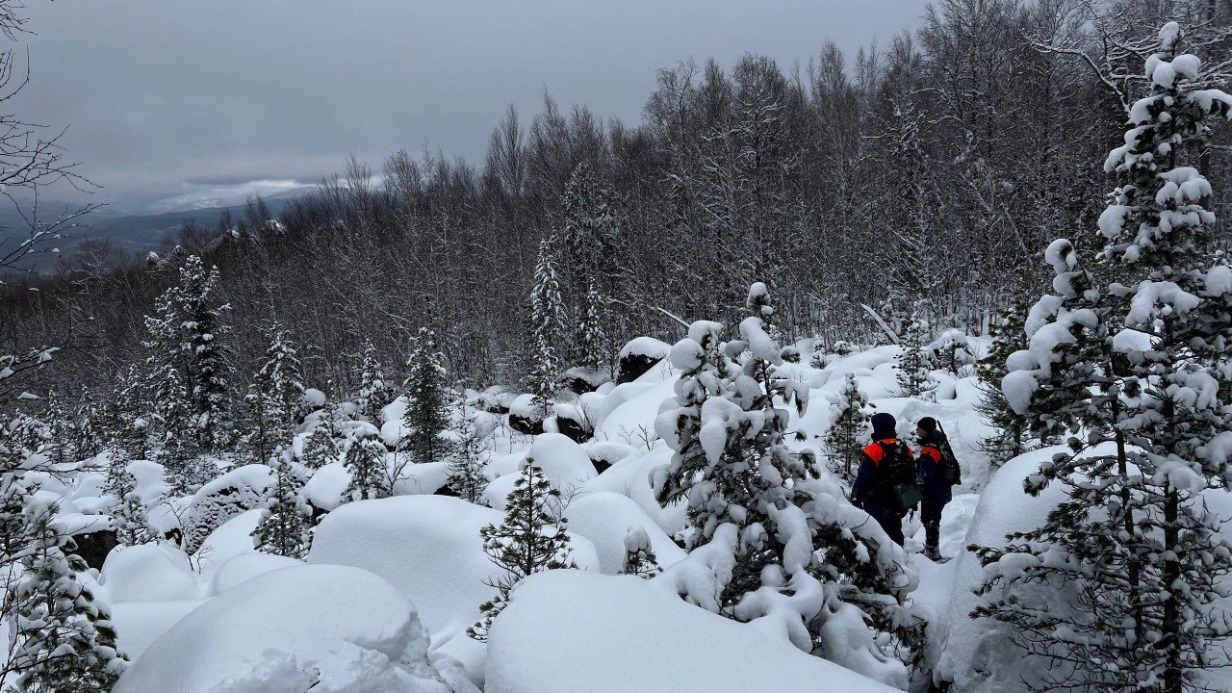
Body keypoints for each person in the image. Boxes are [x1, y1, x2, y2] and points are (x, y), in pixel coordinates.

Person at [852, 412, 912, 546]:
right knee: (895, 530)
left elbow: (864, 477)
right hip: (900, 498)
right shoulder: (904, 447)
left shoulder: (875, 449)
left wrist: (857, 497)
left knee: (877, 535)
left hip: (878, 501)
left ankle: (882, 563)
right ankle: (899, 560)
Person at [915, 417, 952, 561]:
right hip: (941, 488)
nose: (916, 431)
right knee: (932, 520)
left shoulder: (931, 448)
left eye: (919, 428)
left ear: (925, 430)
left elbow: (926, 475)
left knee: (930, 520)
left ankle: (932, 552)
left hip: (934, 491)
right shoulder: (940, 441)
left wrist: (919, 491)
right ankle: (931, 548)